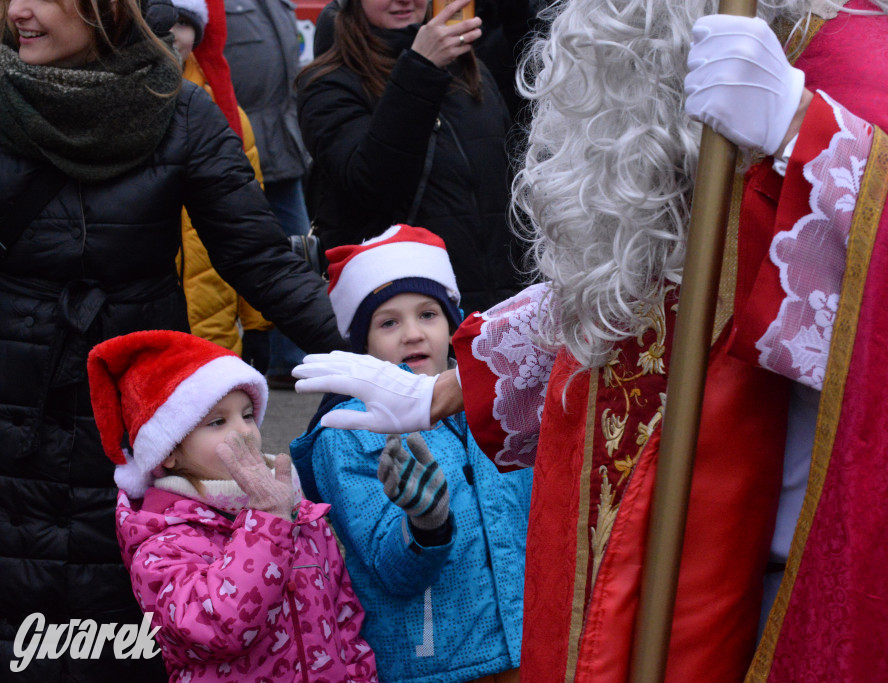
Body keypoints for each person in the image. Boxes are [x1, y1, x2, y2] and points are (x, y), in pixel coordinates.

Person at [294, 0, 888, 680]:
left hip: (824, 572)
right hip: (703, 568)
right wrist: (446, 388)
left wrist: (805, 130)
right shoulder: (661, 65)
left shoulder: (843, 56)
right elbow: (639, 283)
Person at [0, 0, 343, 675]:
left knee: (129, 627)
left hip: (139, 429)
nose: (18, 10)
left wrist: (377, 360)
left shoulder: (181, 111)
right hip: (14, 424)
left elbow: (260, 259)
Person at [290, 225, 531, 683]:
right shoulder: (346, 433)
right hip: (434, 663)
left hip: (531, 647)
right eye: (388, 322)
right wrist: (425, 524)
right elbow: (391, 569)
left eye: (428, 314)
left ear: (452, 322)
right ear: (362, 344)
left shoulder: (499, 400)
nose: (412, 334)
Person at [87, 330, 377, 682]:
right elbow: (220, 629)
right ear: (170, 453)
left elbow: (344, 617)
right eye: (218, 422)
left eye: (247, 415)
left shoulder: (298, 511)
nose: (243, 432)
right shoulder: (161, 544)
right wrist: (267, 522)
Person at [297, 0, 524, 315]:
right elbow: (372, 184)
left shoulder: (470, 70)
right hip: (405, 314)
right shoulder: (328, 84)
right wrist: (421, 69)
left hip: (495, 311)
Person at [169, 0, 274, 369]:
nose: (169, 31)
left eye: (182, 21)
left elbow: (252, 227)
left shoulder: (227, 116)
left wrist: (258, 323)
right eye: (156, 16)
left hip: (214, 337)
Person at [221, 0, 312, 388]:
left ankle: (291, 355)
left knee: (297, 252)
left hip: (281, 145)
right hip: (238, 143)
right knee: (255, 250)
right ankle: (280, 356)